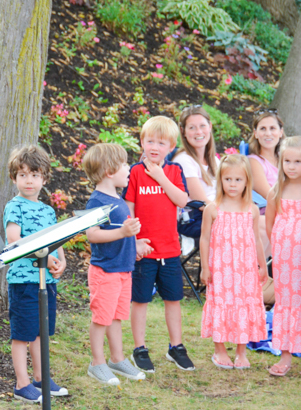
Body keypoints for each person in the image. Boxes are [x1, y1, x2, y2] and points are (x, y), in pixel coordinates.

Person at [124, 116, 194, 373]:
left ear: (171, 146)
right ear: (142, 142)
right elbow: (129, 207)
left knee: (173, 299)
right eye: (150, 141)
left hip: (170, 249)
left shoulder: (174, 171)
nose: (155, 147)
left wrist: (160, 176)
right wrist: (134, 240)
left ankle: (176, 347)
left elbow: (182, 200)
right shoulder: (135, 172)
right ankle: (139, 349)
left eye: (161, 143)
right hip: (144, 250)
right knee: (140, 300)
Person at [3, 144, 68, 403]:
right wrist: (44, 257)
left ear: (44, 178)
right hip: (24, 282)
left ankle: (42, 379)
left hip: (46, 280)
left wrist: (61, 261)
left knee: (41, 332)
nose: (28, 180)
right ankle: (22, 384)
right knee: (23, 333)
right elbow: (14, 240)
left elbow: (57, 240)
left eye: (34, 174)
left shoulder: (48, 210)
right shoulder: (14, 207)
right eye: (23, 175)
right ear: (14, 178)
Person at [82, 143, 146, 386]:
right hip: (105, 272)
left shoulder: (117, 199)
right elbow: (92, 235)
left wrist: (135, 244)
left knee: (116, 317)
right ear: (109, 171)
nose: (128, 168)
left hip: (122, 271)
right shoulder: (97, 201)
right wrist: (124, 234)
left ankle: (117, 359)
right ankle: (97, 362)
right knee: (102, 318)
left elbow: (121, 233)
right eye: (124, 164)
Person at [200, 155, 267, 369]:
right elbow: (204, 239)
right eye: (228, 179)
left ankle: (241, 351)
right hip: (221, 269)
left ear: (247, 181)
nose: (233, 184)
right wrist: (205, 267)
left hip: (245, 269)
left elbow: (256, 239)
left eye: (238, 180)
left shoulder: (252, 209)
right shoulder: (213, 208)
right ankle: (219, 350)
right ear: (220, 180)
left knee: (243, 304)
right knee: (220, 303)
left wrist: (262, 265)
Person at [265, 136, 301, 377]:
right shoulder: (276, 191)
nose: (292, 166)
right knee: (286, 301)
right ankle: (286, 355)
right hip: (285, 259)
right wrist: (283, 245)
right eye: (287, 161)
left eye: (298, 161)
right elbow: (270, 224)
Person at [173, 105, 217, 240]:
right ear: (183, 131)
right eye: (192, 128)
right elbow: (202, 203)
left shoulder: (214, 161)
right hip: (194, 218)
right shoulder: (184, 161)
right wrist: (233, 216)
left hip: (214, 213)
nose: (199, 132)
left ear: (210, 126)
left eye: (202, 126)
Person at [248, 109, 285, 257]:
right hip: (269, 209)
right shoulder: (254, 161)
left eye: (272, 128)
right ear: (256, 133)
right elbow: (269, 195)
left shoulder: (287, 159)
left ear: (280, 132)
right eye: (263, 129)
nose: (268, 133)